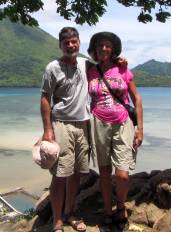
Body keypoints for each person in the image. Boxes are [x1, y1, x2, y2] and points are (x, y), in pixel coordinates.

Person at [86, 32, 143, 231]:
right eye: (100, 45)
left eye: (108, 45)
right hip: (98, 123)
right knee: (103, 172)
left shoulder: (123, 69)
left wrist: (140, 129)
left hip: (123, 123)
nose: (103, 49)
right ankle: (107, 211)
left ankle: (120, 206)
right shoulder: (90, 70)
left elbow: (137, 99)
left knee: (122, 174)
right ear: (94, 49)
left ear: (113, 49)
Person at [40, 27, 90, 232]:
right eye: (66, 42)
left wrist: (121, 62)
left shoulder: (86, 64)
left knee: (76, 173)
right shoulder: (53, 67)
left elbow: (107, 65)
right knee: (60, 175)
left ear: (79, 42)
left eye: (74, 41)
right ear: (60, 45)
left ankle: (70, 213)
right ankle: (57, 220)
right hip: (61, 125)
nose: (71, 45)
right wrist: (48, 130)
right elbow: (45, 98)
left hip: (84, 124)